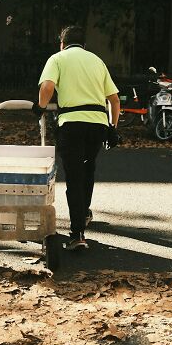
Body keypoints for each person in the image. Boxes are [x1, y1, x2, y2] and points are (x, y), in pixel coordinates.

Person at [32, 25, 120, 251]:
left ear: (62, 43)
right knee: (88, 168)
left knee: (74, 177)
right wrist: (113, 127)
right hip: (98, 123)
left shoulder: (57, 58)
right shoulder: (97, 61)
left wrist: (40, 108)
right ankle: (84, 213)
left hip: (72, 123)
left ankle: (77, 233)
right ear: (84, 45)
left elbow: (47, 87)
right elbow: (114, 100)